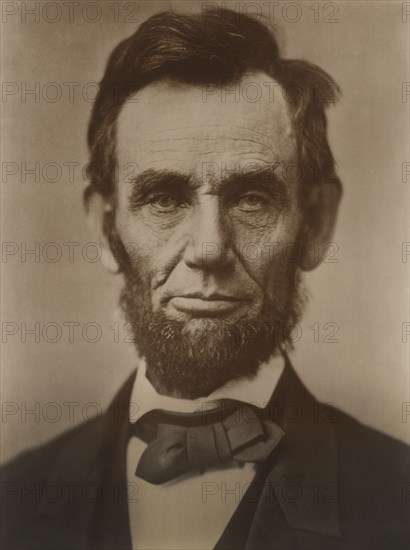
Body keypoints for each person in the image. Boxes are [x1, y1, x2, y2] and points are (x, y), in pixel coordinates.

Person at [2, 8, 409, 550]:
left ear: (314, 224)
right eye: (165, 199)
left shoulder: (397, 498)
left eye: (251, 198)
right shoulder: (14, 500)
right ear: (105, 229)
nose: (210, 249)